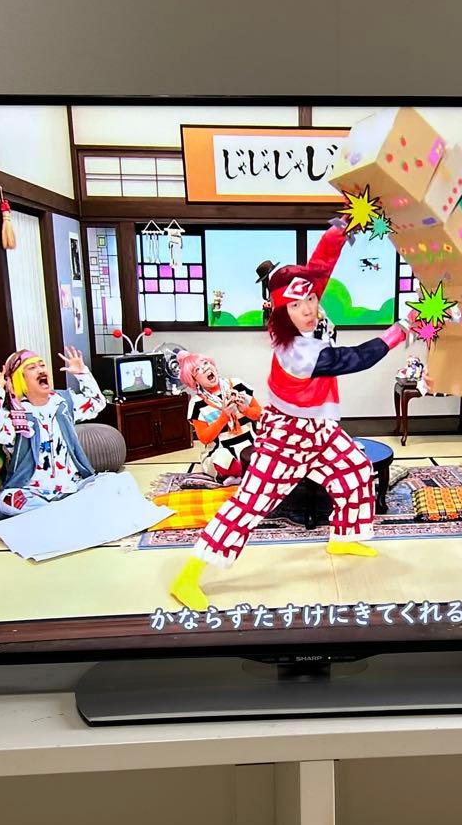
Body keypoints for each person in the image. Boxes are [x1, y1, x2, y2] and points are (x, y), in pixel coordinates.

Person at [169, 218, 414, 611]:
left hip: (320, 428)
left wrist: (339, 233)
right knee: (251, 503)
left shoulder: (306, 309)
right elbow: (357, 358)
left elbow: (320, 269)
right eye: (297, 305)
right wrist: (403, 328)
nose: (309, 309)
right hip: (287, 435)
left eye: (311, 300)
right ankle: (188, 576)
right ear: (281, 312)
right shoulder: (296, 352)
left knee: (355, 472)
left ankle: (343, 538)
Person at [0, 346, 106, 517]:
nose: (41, 370)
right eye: (32, 368)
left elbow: (97, 403)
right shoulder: (16, 415)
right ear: (20, 379)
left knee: (113, 482)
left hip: (73, 486)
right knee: (7, 501)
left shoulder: (64, 402)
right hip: (33, 492)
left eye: (42, 365)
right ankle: (62, 512)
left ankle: (59, 512)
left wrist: (82, 373)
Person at [177, 351, 262, 484]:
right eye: (197, 370)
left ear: (214, 367)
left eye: (206, 363)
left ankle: (240, 474)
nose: (205, 368)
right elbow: (205, 438)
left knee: (272, 449)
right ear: (194, 381)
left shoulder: (237, 385)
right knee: (221, 458)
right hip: (220, 450)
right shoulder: (196, 403)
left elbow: (260, 415)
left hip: (250, 444)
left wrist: (245, 409)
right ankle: (242, 472)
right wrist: (224, 416)